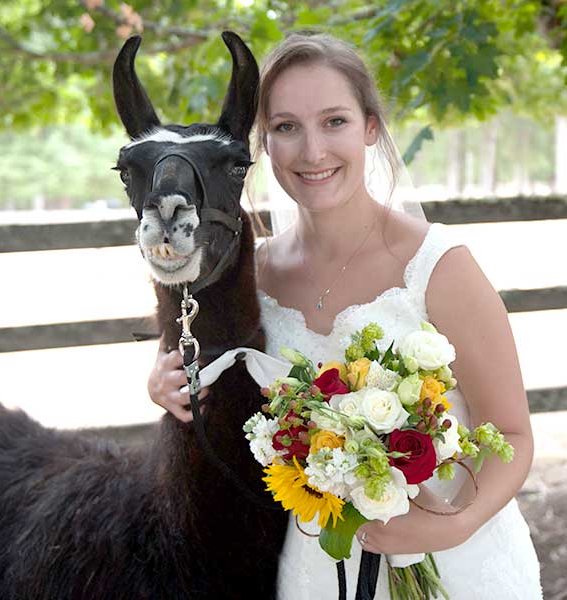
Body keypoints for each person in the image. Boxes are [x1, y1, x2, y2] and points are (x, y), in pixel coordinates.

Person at [147, 32, 542, 599]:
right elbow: (205, 374)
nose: (312, 152)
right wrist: (164, 383)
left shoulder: (438, 266)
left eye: (334, 121)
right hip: (317, 565)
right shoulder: (252, 278)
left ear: (371, 128)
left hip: (458, 561)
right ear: (264, 145)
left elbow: (513, 433)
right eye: (286, 127)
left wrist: (453, 524)